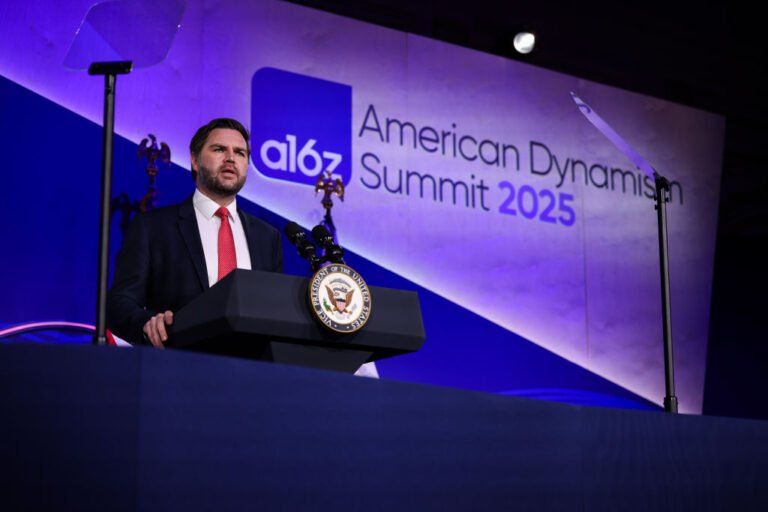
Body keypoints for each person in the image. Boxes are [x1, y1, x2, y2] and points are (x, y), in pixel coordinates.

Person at [107, 118, 283, 347]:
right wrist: (147, 323)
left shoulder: (267, 237)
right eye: (219, 149)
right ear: (195, 160)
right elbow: (120, 303)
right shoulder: (152, 227)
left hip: (249, 366)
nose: (231, 158)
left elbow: (275, 314)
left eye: (240, 153)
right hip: (178, 361)